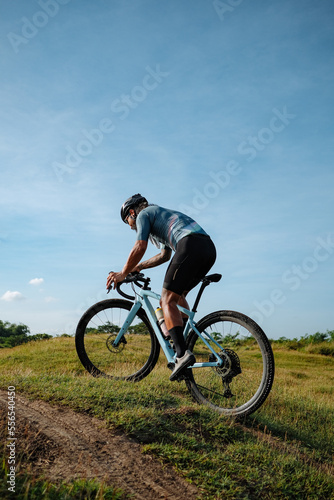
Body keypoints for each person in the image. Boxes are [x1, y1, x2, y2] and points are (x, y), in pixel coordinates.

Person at [106, 194, 216, 381]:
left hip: (189, 244)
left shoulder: (143, 215)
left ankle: (182, 355)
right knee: (177, 297)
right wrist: (137, 267)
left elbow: (140, 247)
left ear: (132, 212)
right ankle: (184, 343)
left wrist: (123, 273)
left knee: (166, 300)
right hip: (208, 248)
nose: (131, 226)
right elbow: (164, 256)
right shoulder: (160, 216)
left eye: (128, 222)